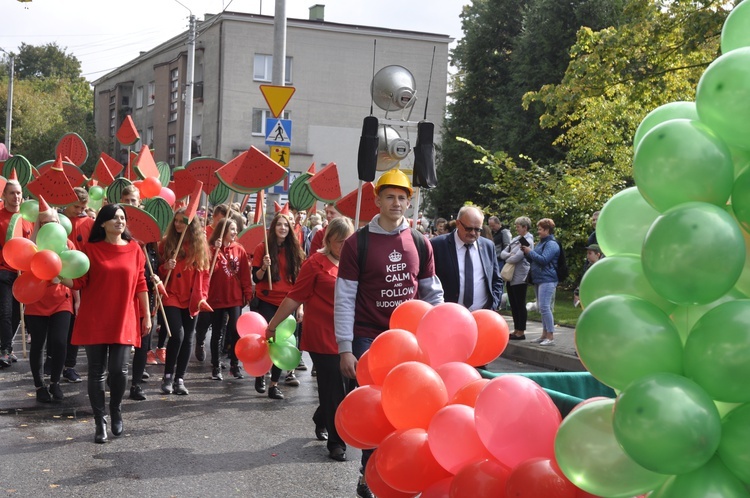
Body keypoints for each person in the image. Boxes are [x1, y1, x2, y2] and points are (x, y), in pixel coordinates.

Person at [335, 168, 443, 498]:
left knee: (409, 409)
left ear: (409, 203)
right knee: (377, 411)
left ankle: (403, 470)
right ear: (377, 200)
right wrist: (345, 347)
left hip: (410, 341)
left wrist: (440, 333)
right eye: (390, 196)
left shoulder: (421, 242)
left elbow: (432, 293)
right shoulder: (358, 244)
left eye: (402, 197)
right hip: (369, 338)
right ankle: (368, 473)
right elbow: (345, 296)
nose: (396, 203)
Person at [265, 217, 355, 462]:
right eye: (340, 242)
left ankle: (322, 416)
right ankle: (337, 443)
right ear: (328, 240)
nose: (345, 247)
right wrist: (273, 325)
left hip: (348, 333)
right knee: (335, 387)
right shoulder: (315, 263)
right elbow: (295, 297)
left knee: (349, 387)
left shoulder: (356, 263)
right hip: (322, 334)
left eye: (349, 242)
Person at [60, 204, 151, 444]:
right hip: (95, 317)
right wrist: (58, 276)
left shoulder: (135, 249)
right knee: (96, 373)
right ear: (103, 223)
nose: (120, 222)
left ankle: (116, 409)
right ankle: (99, 421)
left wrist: (147, 315)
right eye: (115, 218)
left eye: (123, 218)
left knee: (119, 370)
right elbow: (80, 281)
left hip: (124, 317)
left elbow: (141, 283)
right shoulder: (91, 249)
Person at [252, 211, 306, 399]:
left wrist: (299, 306)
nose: (282, 228)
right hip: (267, 300)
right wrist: (263, 268)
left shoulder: (296, 250)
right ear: (273, 228)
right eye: (279, 224)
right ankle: (260, 374)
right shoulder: (262, 248)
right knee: (269, 341)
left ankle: (274, 384)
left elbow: (300, 281)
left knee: (282, 344)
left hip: (288, 302)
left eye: (286, 225)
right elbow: (255, 278)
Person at [158, 208, 210, 396]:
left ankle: (180, 378)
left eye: (183, 221)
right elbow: (158, 273)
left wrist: (203, 295)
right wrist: (166, 266)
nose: (178, 224)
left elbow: (204, 274)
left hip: (192, 298)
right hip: (171, 294)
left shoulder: (200, 246)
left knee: (188, 338)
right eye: (176, 221)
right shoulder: (167, 243)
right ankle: (168, 376)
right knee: (177, 336)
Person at [26, 207, 75, 402]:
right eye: (44, 222)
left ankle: (55, 382)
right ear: (38, 224)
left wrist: (62, 278)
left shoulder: (68, 244)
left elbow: (76, 271)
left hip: (61, 300)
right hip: (36, 300)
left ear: (59, 222)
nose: (48, 226)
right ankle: (39, 386)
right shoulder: (31, 245)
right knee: (38, 344)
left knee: (60, 342)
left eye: (52, 222)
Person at [206, 218, 253, 381]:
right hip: (217, 297)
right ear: (222, 230)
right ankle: (216, 366)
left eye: (235, 229)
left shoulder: (239, 250)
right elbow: (208, 271)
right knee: (217, 332)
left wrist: (248, 293)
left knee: (235, 332)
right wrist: (215, 251)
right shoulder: (212, 249)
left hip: (234, 298)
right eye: (231, 229)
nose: (234, 232)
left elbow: (245, 274)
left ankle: (234, 364)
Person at [430, 206, 502, 311]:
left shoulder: (488, 246)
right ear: (458, 223)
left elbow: (496, 279)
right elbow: (428, 281)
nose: (473, 233)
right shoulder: (438, 245)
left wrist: (493, 304)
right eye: (469, 228)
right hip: (448, 315)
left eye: (478, 229)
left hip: (482, 316)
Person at [59, 187, 95, 382]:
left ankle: (69, 365)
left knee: (75, 324)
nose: (79, 210)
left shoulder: (89, 223)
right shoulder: (57, 221)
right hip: (58, 276)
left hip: (81, 278)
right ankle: (54, 360)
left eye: (83, 207)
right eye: (76, 206)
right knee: (59, 325)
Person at [0, 180, 33, 368]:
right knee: (4, 311)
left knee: (16, 314)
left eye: (19, 193)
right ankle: (5, 350)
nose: (16, 196)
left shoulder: (28, 217)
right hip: (3, 271)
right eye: (12, 193)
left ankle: (7, 345)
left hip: (23, 274)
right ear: (4, 196)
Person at [521, 218, 560, 346]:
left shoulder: (552, 244)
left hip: (548, 279)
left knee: (544, 307)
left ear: (547, 230)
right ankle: (544, 335)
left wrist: (530, 252)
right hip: (539, 279)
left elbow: (544, 260)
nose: (538, 232)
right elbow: (535, 260)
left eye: (540, 229)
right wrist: (527, 253)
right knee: (541, 307)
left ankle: (550, 336)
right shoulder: (542, 243)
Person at [502, 217, 534, 340]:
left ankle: (521, 330)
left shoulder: (528, 241)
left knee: (520, 304)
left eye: (518, 227)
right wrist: (510, 255)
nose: (516, 229)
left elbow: (517, 258)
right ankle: (516, 329)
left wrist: (509, 257)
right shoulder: (516, 239)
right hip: (511, 276)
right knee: (514, 304)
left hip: (520, 276)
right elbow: (503, 253)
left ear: (525, 227)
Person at [574, 243, 604, 308]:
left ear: (598, 255)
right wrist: (578, 291)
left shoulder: (600, 267)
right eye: (587, 253)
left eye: (590, 253)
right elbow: (585, 280)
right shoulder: (589, 266)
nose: (587, 256)